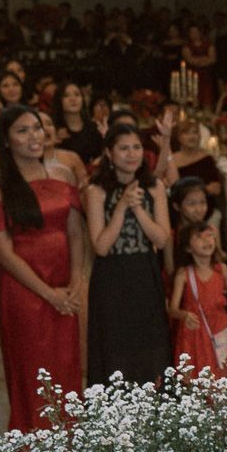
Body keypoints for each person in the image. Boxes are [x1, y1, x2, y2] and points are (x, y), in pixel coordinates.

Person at [0, 105, 86, 429]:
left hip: (65, 287)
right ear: (6, 140)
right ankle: (35, 443)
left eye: (37, 128)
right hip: (25, 291)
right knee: (34, 369)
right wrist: (49, 293)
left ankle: (70, 439)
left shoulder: (63, 174)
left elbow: (75, 233)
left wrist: (77, 282)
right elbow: (3, 253)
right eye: (23, 131)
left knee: (67, 364)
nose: (34, 136)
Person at [85, 125, 171, 389]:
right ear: (109, 153)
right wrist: (122, 206)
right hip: (111, 276)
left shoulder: (154, 186)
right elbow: (101, 247)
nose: (132, 154)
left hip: (145, 271)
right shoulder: (96, 190)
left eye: (136, 147)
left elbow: (161, 239)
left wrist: (139, 209)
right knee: (115, 347)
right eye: (123, 148)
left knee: (150, 345)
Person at [169, 221, 227, 376]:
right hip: (194, 334)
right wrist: (185, 315)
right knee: (196, 376)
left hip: (219, 329)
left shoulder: (222, 269)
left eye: (210, 236)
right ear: (188, 247)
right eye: (199, 237)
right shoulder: (184, 274)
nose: (207, 240)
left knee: (222, 375)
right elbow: (172, 309)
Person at [53, 81, 102, 163]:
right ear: (59, 101)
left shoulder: (94, 128)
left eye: (77, 94)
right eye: (66, 96)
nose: (73, 99)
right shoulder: (55, 130)